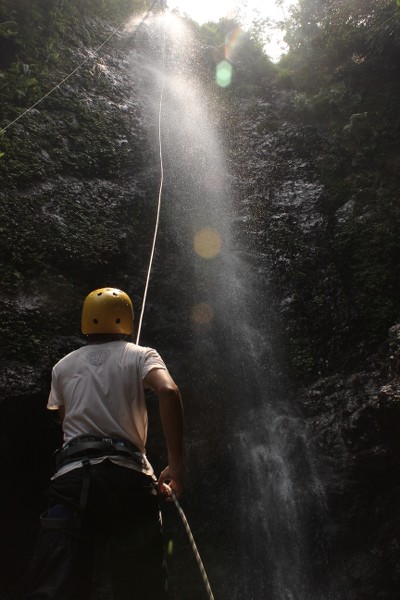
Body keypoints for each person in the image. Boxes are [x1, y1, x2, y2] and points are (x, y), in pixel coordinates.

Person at [25, 287, 184, 600]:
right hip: (127, 478)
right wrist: (177, 465)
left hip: (72, 482)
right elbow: (168, 392)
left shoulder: (62, 367)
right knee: (143, 590)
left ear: (86, 321)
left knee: (53, 588)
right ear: (126, 320)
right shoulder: (142, 355)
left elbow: (67, 424)